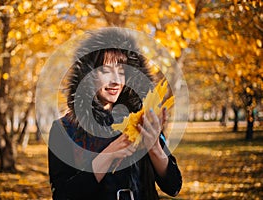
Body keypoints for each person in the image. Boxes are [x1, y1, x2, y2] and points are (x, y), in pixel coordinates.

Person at [48, 28, 182, 200]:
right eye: (105, 71)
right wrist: (107, 156)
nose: (116, 80)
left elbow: (173, 186)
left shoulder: (141, 120)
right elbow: (62, 195)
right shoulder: (64, 129)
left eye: (121, 71)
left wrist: (154, 147)